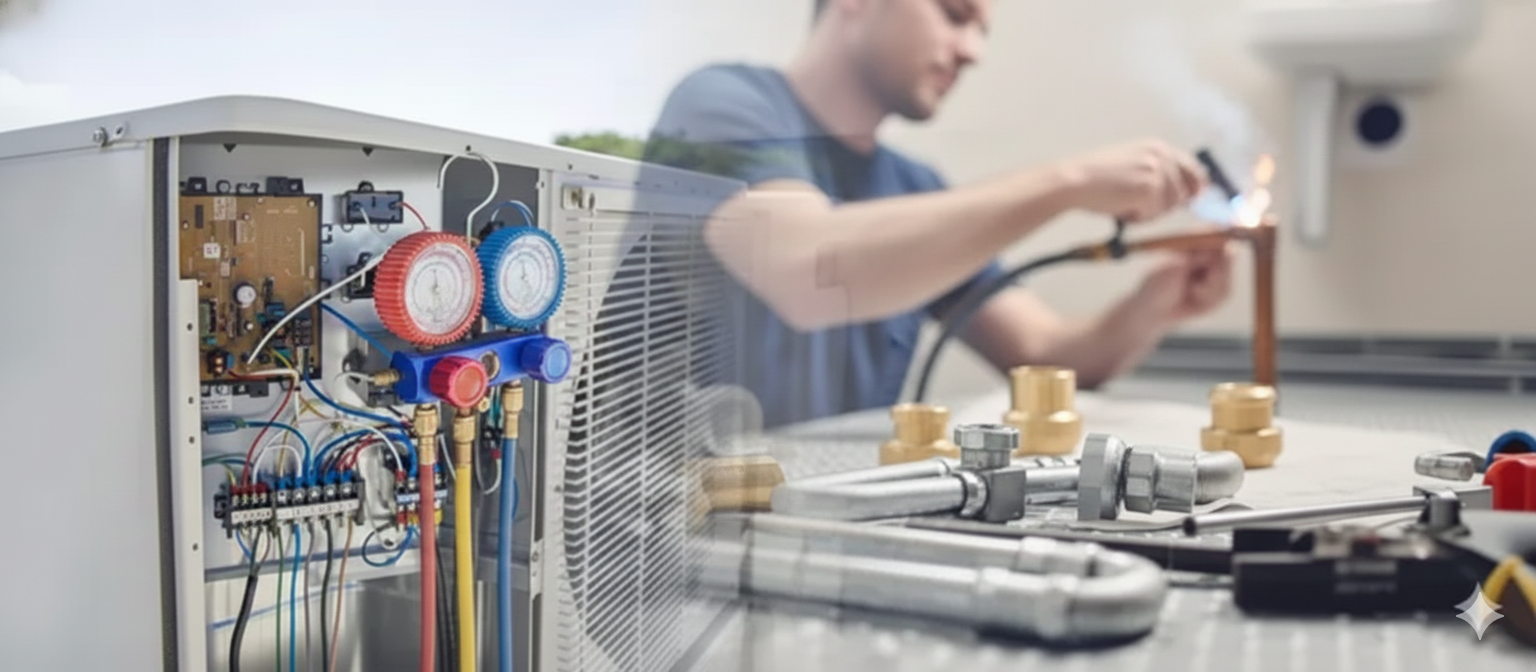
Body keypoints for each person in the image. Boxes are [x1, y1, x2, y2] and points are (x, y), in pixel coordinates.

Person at [637, 0, 1234, 429]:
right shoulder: (719, 105)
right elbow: (809, 271)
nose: (972, 52)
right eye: (953, 14)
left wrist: (1154, 304)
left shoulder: (914, 187)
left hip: (821, 527)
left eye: (981, 31)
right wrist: (1069, 182)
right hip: (664, 539)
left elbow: (1048, 356)